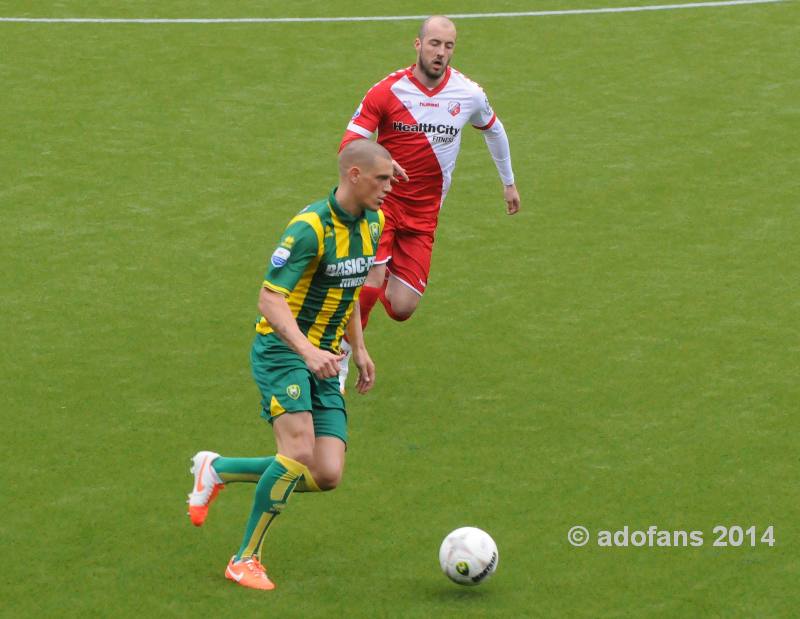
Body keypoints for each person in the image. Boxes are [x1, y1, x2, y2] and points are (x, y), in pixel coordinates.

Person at [186, 140, 393, 591]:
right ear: (353, 175)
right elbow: (268, 297)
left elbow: (350, 290)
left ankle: (217, 469)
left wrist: (358, 350)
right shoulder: (309, 228)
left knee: (326, 473)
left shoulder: (374, 222)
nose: (388, 188)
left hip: (326, 356)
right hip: (284, 350)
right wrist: (306, 351)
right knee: (297, 451)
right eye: (382, 179)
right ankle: (244, 559)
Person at [337, 15, 521, 391]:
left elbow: (495, 131)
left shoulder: (468, 94)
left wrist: (509, 183)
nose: (441, 53)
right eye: (434, 44)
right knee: (370, 277)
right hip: (381, 205)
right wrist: (382, 162)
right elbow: (349, 144)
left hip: (424, 215)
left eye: (448, 46)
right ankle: (341, 357)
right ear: (417, 45)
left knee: (403, 307)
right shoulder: (387, 92)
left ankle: (370, 278)